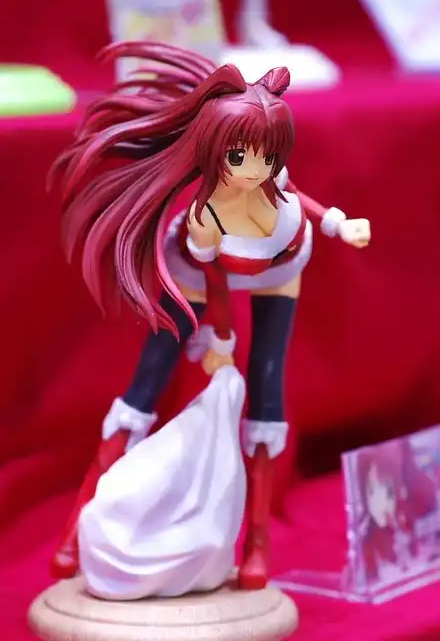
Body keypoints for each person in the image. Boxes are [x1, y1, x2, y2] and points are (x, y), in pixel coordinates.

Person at [48, 40, 371, 589]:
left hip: (279, 273)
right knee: (146, 384)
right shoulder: (205, 217)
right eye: (242, 157)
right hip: (200, 278)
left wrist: (339, 224)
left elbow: (300, 199)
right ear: (216, 149)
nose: (255, 169)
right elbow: (215, 276)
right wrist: (218, 338)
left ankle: (258, 542)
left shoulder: (273, 184)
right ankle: (76, 529)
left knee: (267, 389)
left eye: (268, 156)